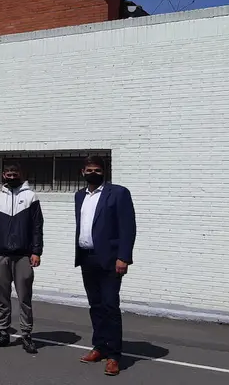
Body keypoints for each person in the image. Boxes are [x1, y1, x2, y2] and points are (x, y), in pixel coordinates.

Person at [74, 155, 136, 376]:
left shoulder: (118, 193)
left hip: (110, 260)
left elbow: (128, 227)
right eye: (89, 170)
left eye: (97, 170)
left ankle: (114, 356)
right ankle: (99, 346)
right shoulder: (79, 195)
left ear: (104, 172)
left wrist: (124, 257)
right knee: (95, 306)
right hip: (87, 258)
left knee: (110, 306)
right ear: (83, 172)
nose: (93, 173)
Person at [0, 161, 43, 354]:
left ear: (21, 174)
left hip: (23, 256)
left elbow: (37, 227)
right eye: (8, 174)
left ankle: (26, 335)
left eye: (14, 174)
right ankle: (3, 332)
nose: (11, 177)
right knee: (2, 298)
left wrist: (36, 252)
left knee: (24, 298)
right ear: (3, 175)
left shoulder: (30, 197)